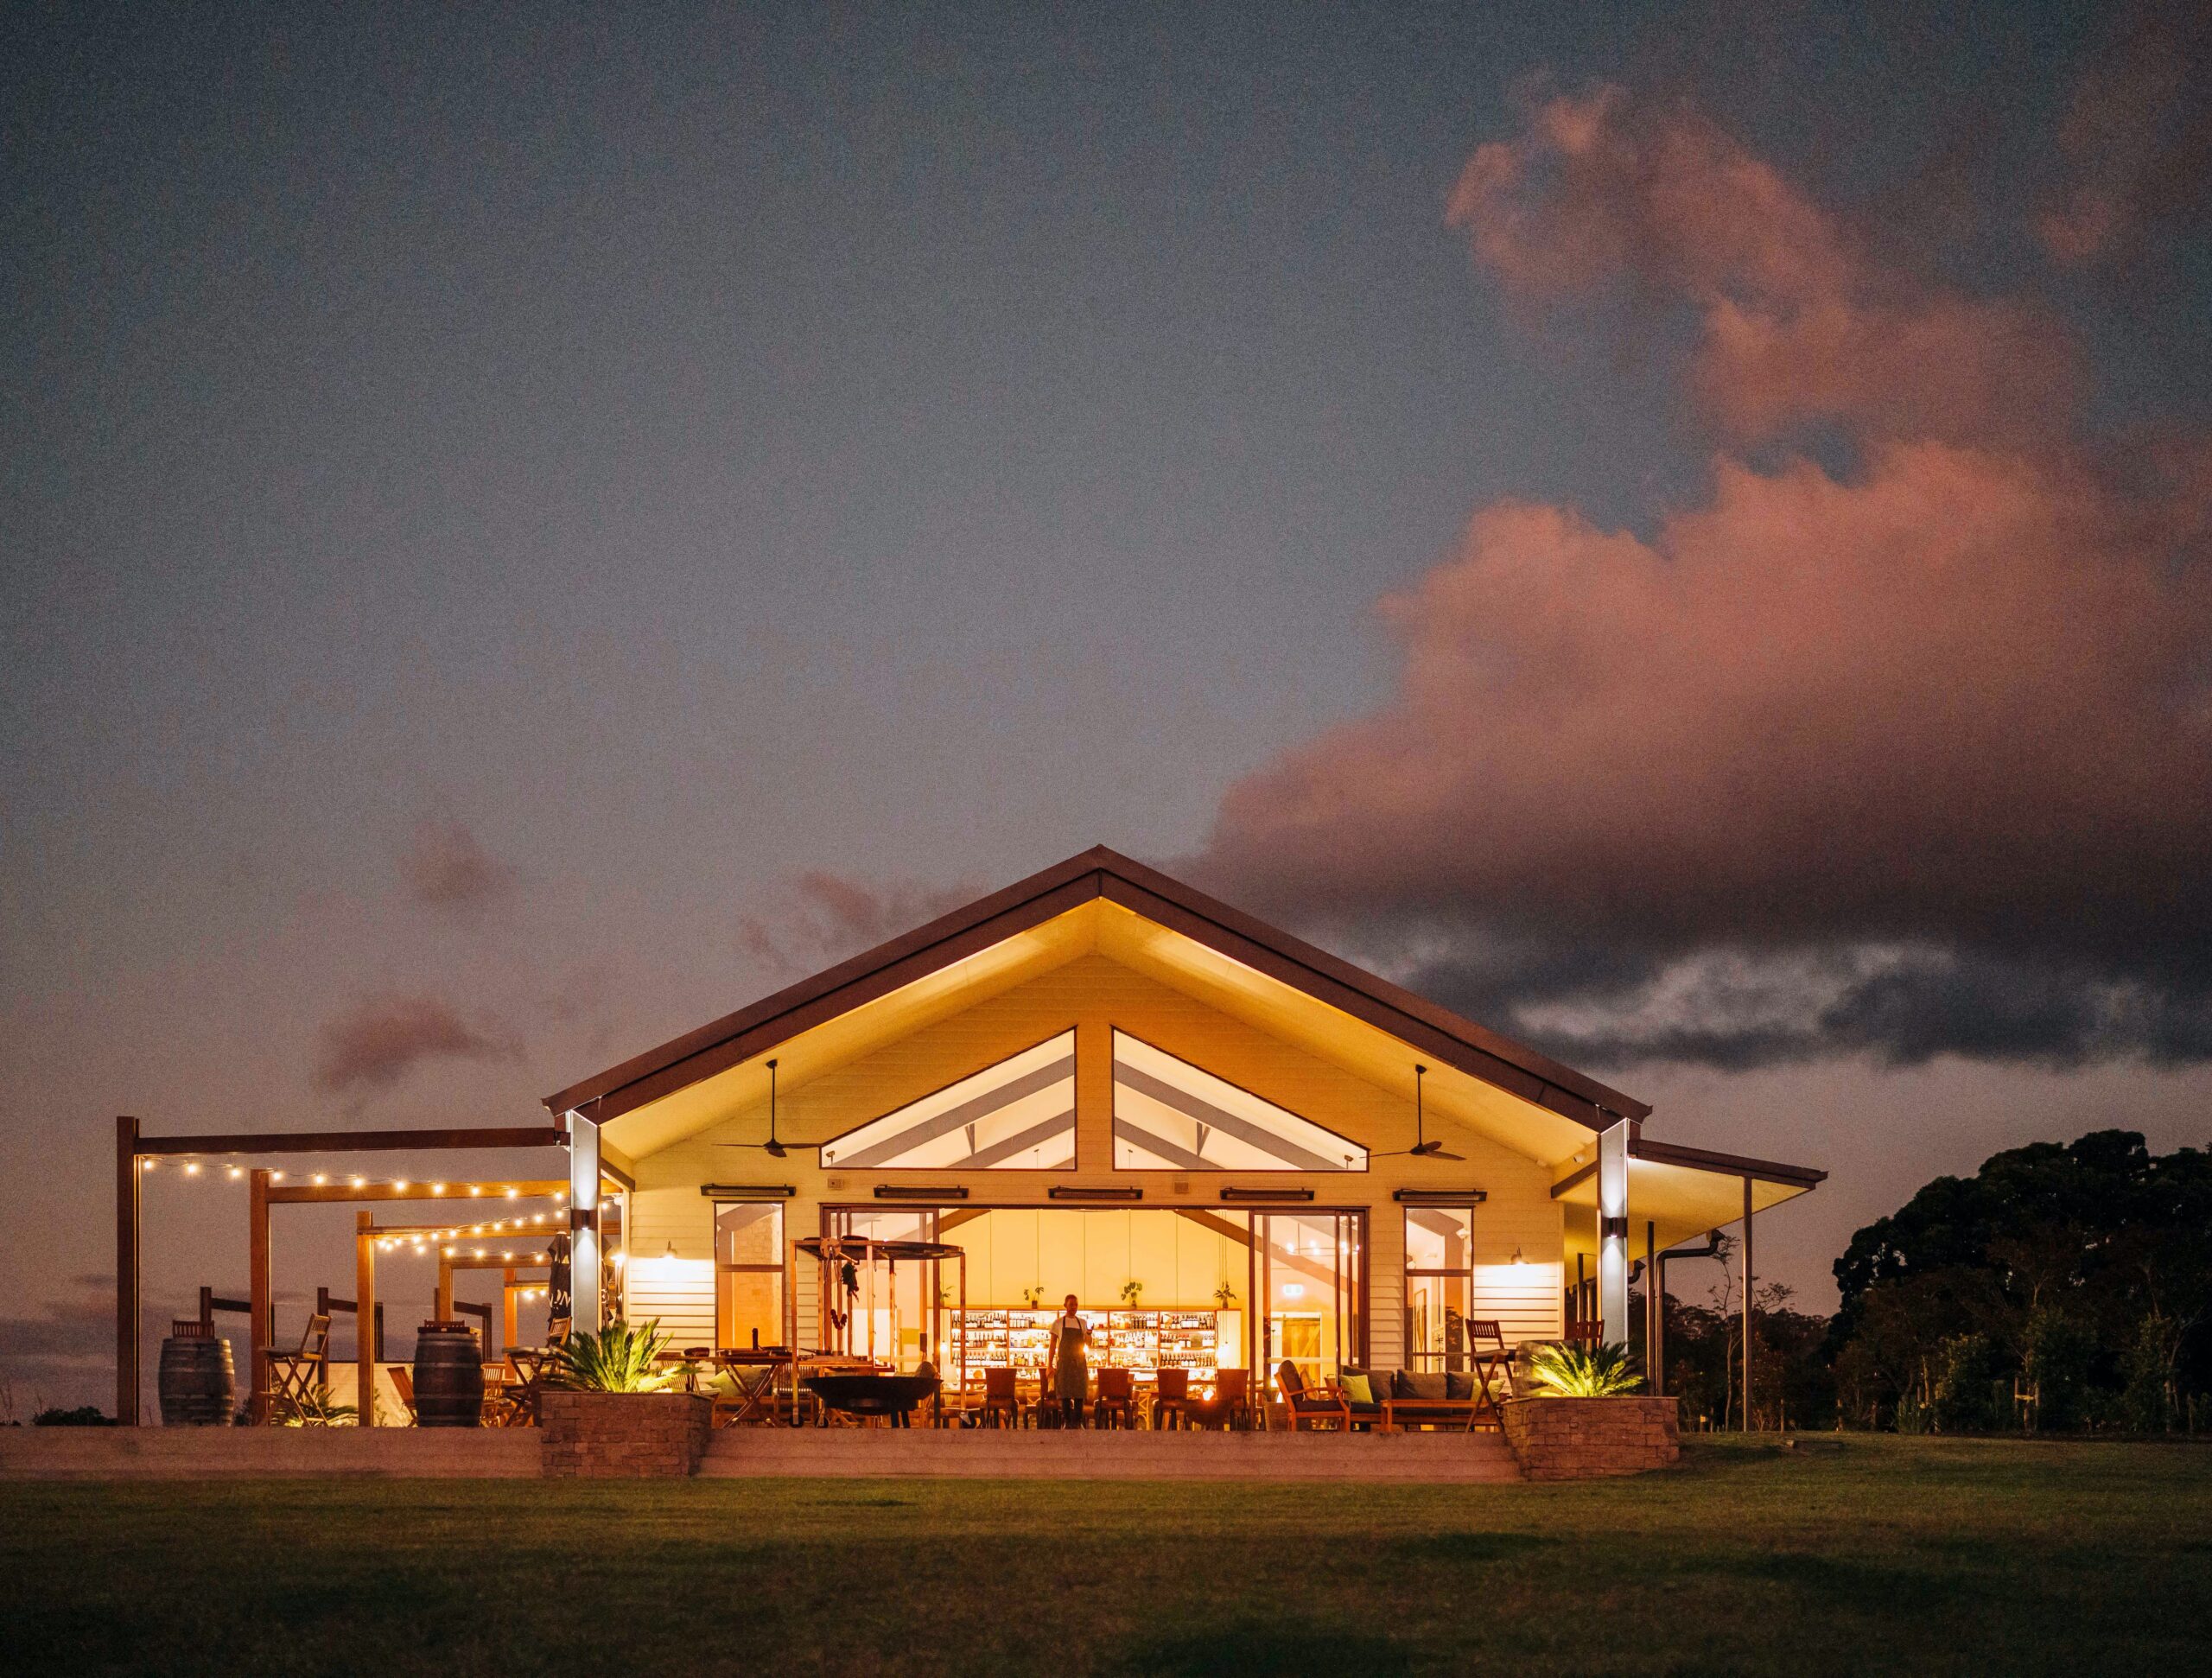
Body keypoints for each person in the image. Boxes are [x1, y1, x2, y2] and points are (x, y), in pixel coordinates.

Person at [1047, 1293, 1092, 1427]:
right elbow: (1052, 1346)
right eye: (1071, 1304)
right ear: (1065, 1305)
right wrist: (1049, 1365)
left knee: (1080, 1393)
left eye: (1076, 1305)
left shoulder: (1083, 1323)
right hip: (1064, 1363)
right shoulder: (1058, 1323)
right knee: (1065, 1393)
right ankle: (1067, 1421)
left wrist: (1089, 1334)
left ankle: (1078, 1422)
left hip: (1079, 1363)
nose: (1074, 1307)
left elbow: (1088, 1344)